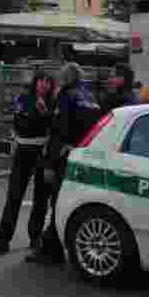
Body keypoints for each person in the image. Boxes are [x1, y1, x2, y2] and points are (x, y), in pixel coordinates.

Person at [28, 62, 102, 265]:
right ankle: (53, 246)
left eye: (61, 76)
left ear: (67, 78)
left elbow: (59, 129)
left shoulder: (67, 96)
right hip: (85, 154)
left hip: (64, 157)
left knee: (58, 202)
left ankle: (50, 249)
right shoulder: (89, 97)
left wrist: (50, 163)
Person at [0, 73, 56, 255]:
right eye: (42, 81)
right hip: (24, 150)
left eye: (48, 82)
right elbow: (22, 122)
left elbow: (55, 126)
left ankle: (35, 238)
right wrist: (39, 116)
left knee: (41, 198)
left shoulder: (53, 101)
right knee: (14, 196)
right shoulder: (24, 98)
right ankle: (2, 240)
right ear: (35, 82)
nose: (44, 85)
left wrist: (44, 114)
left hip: (42, 152)